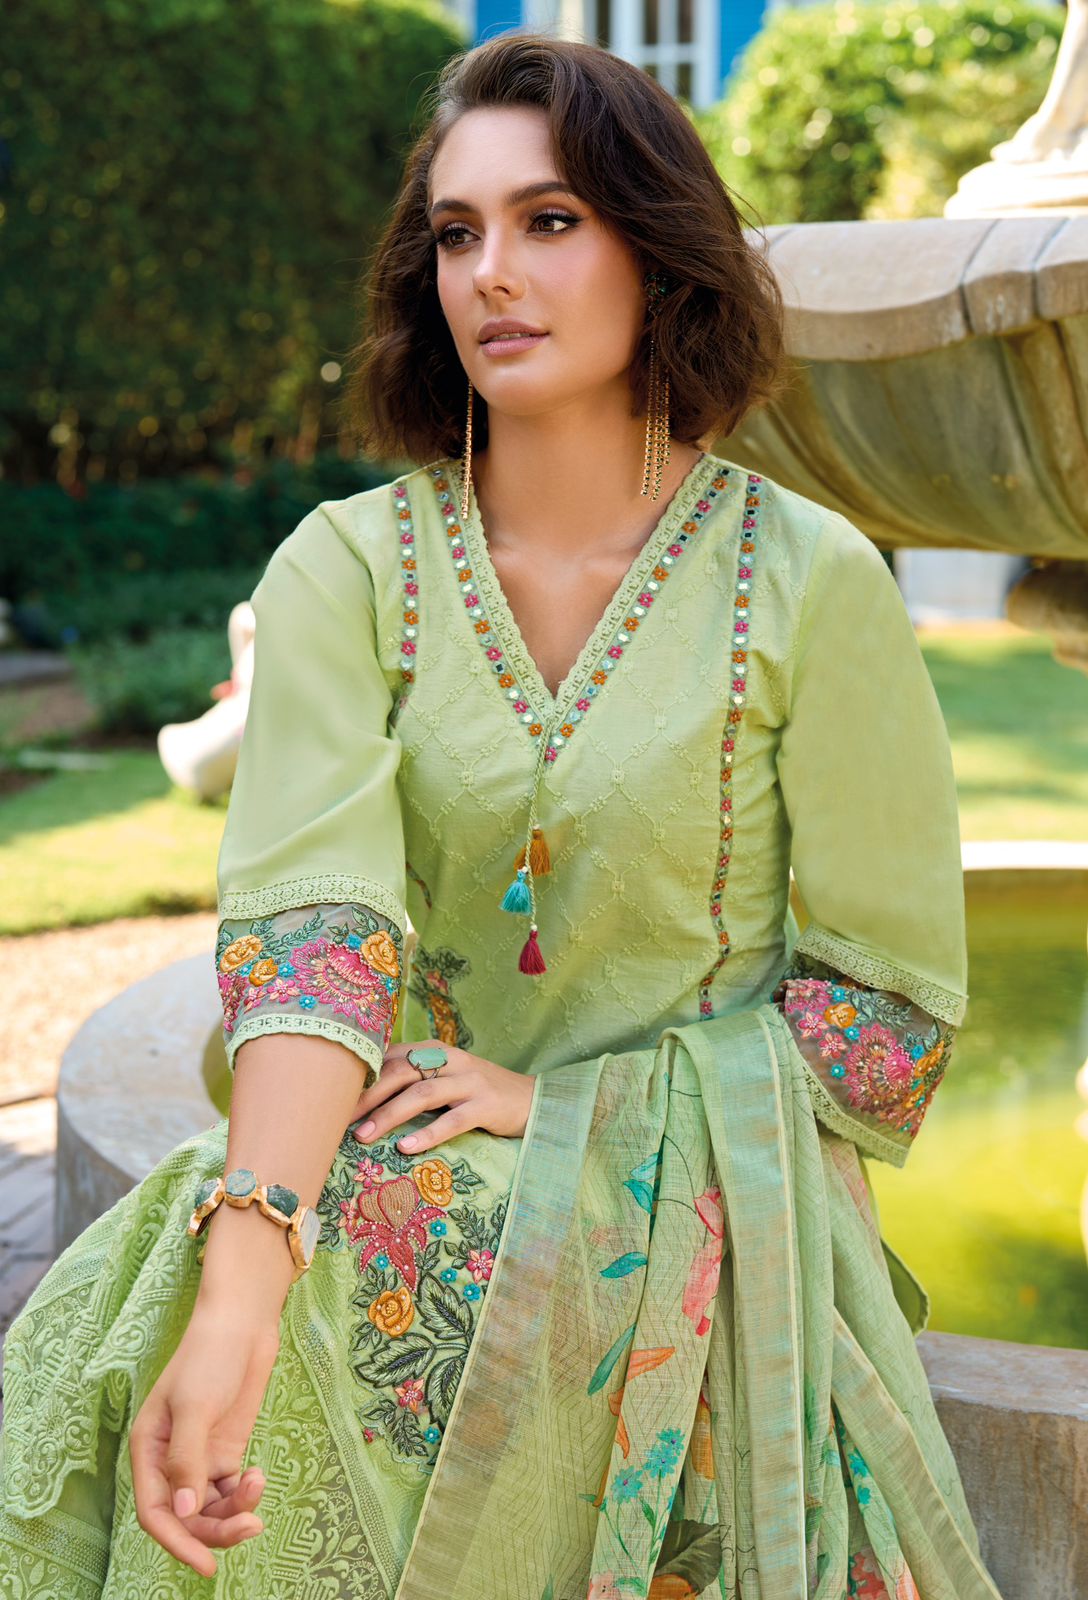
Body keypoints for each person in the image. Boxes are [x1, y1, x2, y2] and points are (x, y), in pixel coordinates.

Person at [0, 32, 1005, 1600]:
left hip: (712, 1219)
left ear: (653, 251)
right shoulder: (347, 571)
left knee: (379, 1248)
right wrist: (250, 1261)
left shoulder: (805, 582)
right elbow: (316, 942)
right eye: (455, 233)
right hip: (409, 1179)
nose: (491, 273)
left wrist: (561, 1112)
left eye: (549, 221)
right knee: (185, 1279)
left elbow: (878, 1026)